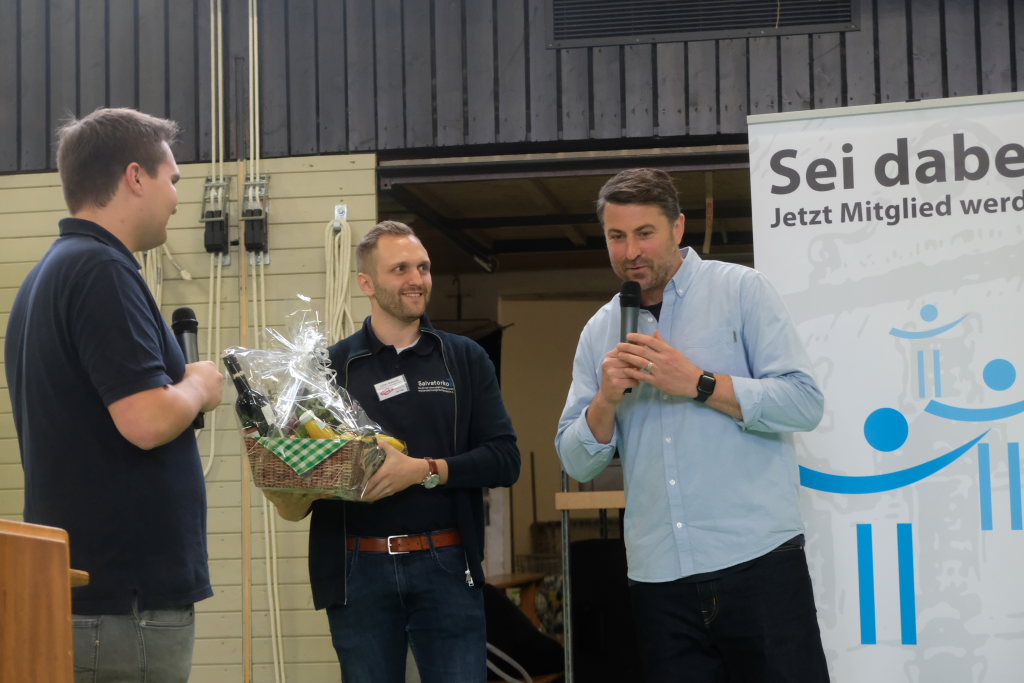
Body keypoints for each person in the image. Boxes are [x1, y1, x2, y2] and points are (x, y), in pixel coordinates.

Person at [555, 168, 830, 682]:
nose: (630, 251)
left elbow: (804, 403)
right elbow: (576, 461)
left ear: (678, 227)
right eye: (616, 236)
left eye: (645, 233)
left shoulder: (742, 291)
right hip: (659, 580)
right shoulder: (599, 331)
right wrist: (605, 401)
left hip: (758, 563)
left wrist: (699, 382)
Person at [5, 108, 225, 683]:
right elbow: (145, 420)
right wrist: (198, 386)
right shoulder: (102, 269)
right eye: (172, 179)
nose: (177, 198)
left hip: (96, 599)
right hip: (126, 608)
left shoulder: (50, 274)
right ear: (134, 177)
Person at [266, 220, 520, 683]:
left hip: (447, 565)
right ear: (366, 283)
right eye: (400, 269)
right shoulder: (328, 369)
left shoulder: (463, 358)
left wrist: (424, 470)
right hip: (356, 571)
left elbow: (505, 459)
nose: (417, 279)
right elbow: (297, 476)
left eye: (423, 267)